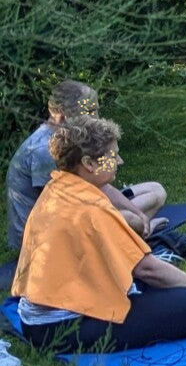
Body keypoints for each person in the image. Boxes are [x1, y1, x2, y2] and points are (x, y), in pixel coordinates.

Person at [11, 117, 186, 353]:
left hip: (40, 318)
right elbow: (147, 269)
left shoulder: (59, 187)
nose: (120, 161)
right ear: (88, 164)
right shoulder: (91, 208)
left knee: (172, 287)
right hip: (60, 329)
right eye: (113, 155)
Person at [7, 81, 171, 250]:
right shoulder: (44, 151)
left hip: (75, 212)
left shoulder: (72, 137)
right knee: (130, 218)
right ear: (62, 113)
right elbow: (57, 211)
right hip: (41, 240)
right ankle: (134, 234)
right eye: (90, 111)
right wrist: (130, 216)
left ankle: (138, 229)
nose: (97, 118)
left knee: (156, 191)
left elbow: (100, 188)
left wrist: (138, 215)